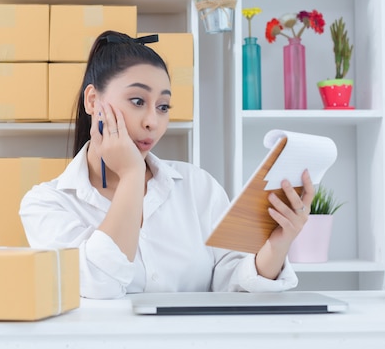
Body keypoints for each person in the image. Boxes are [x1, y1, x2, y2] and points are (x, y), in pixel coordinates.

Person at [19, 30, 315, 299]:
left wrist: (277, 244)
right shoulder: (46, 204)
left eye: (162, 107)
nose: (152, 122)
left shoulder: (198, 186)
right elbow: (100, 283)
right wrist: (132, 175)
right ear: (93, 101)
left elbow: (233, 284)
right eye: (137, 101)